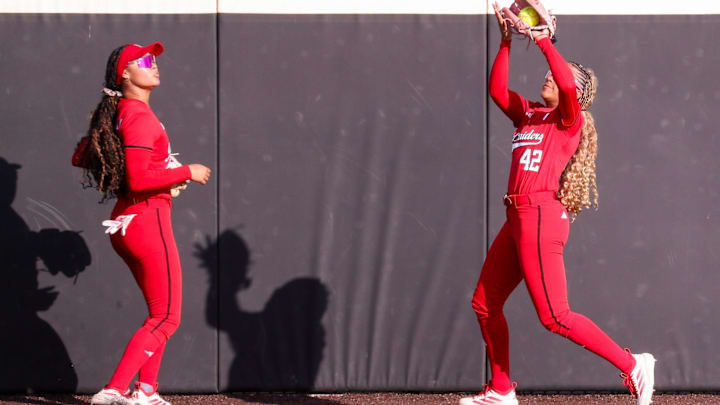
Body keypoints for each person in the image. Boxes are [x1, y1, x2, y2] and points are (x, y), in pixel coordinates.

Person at [459, 4, 655, 405]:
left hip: (541, 217)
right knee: (485, 302)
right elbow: (497, 91)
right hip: (517, 216)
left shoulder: (570, 118)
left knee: (554, 316)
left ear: (579, 93)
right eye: (550, 69)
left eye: (562, 73)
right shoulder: (530, 114)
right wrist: (506, 42)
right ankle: (500, 389)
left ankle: (633, 364)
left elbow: (566, 86)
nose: (549, 74)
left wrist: (545, 41)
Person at [73, 42, 212, 405]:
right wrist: (187, 171)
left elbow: (81, 155)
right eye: (145, 61)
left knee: (158, 315)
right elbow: (137, 180)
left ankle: (146, 391)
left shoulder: (120, 113)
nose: (154, 65)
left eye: (154, 59)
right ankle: (115, 390)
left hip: (127, 221)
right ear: (125, 74)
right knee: (168, 317)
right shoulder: (137, 115)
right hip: (147, 219)